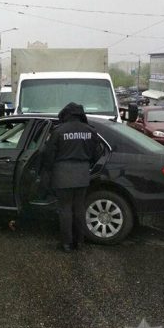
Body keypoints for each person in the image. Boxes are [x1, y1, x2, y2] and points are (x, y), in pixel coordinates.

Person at [43, 102, 99, 252]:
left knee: (65, 209)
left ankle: (67, 244)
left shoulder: (59, 131)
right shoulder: (90, 131)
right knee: (79, 209)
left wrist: (47, 172)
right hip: (82, 173)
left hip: (63, 174)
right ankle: (80, 242)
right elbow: (97, 153)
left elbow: (49, 155)